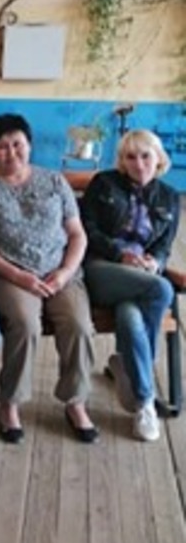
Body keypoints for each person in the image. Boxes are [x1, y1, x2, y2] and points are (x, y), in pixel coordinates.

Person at [0, 114, 98, 444]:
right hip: (11, 275)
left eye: (17, 144)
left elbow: (77, 234)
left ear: (29, 146)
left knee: (78, 325)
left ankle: (75, 401)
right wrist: (18, 275)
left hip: (61, 273)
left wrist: (64, 273)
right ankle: (10, 402)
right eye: (2, 146)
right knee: (25, 323)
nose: (11, 152)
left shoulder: (55, 181)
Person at [81, 129, 180, 443]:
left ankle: (143, 401)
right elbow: (87, 230)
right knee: (162, 290)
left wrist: (154, 263)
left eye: (145, 156)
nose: (139, 164)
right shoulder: (104, 184)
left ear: (158, 157)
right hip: (102, 269)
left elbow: (163, 246)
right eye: (131, 157)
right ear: (122, 161)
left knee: (130, 317)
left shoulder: (169, 197)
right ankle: (140, 376)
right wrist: (119, 254)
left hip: (140, 279)